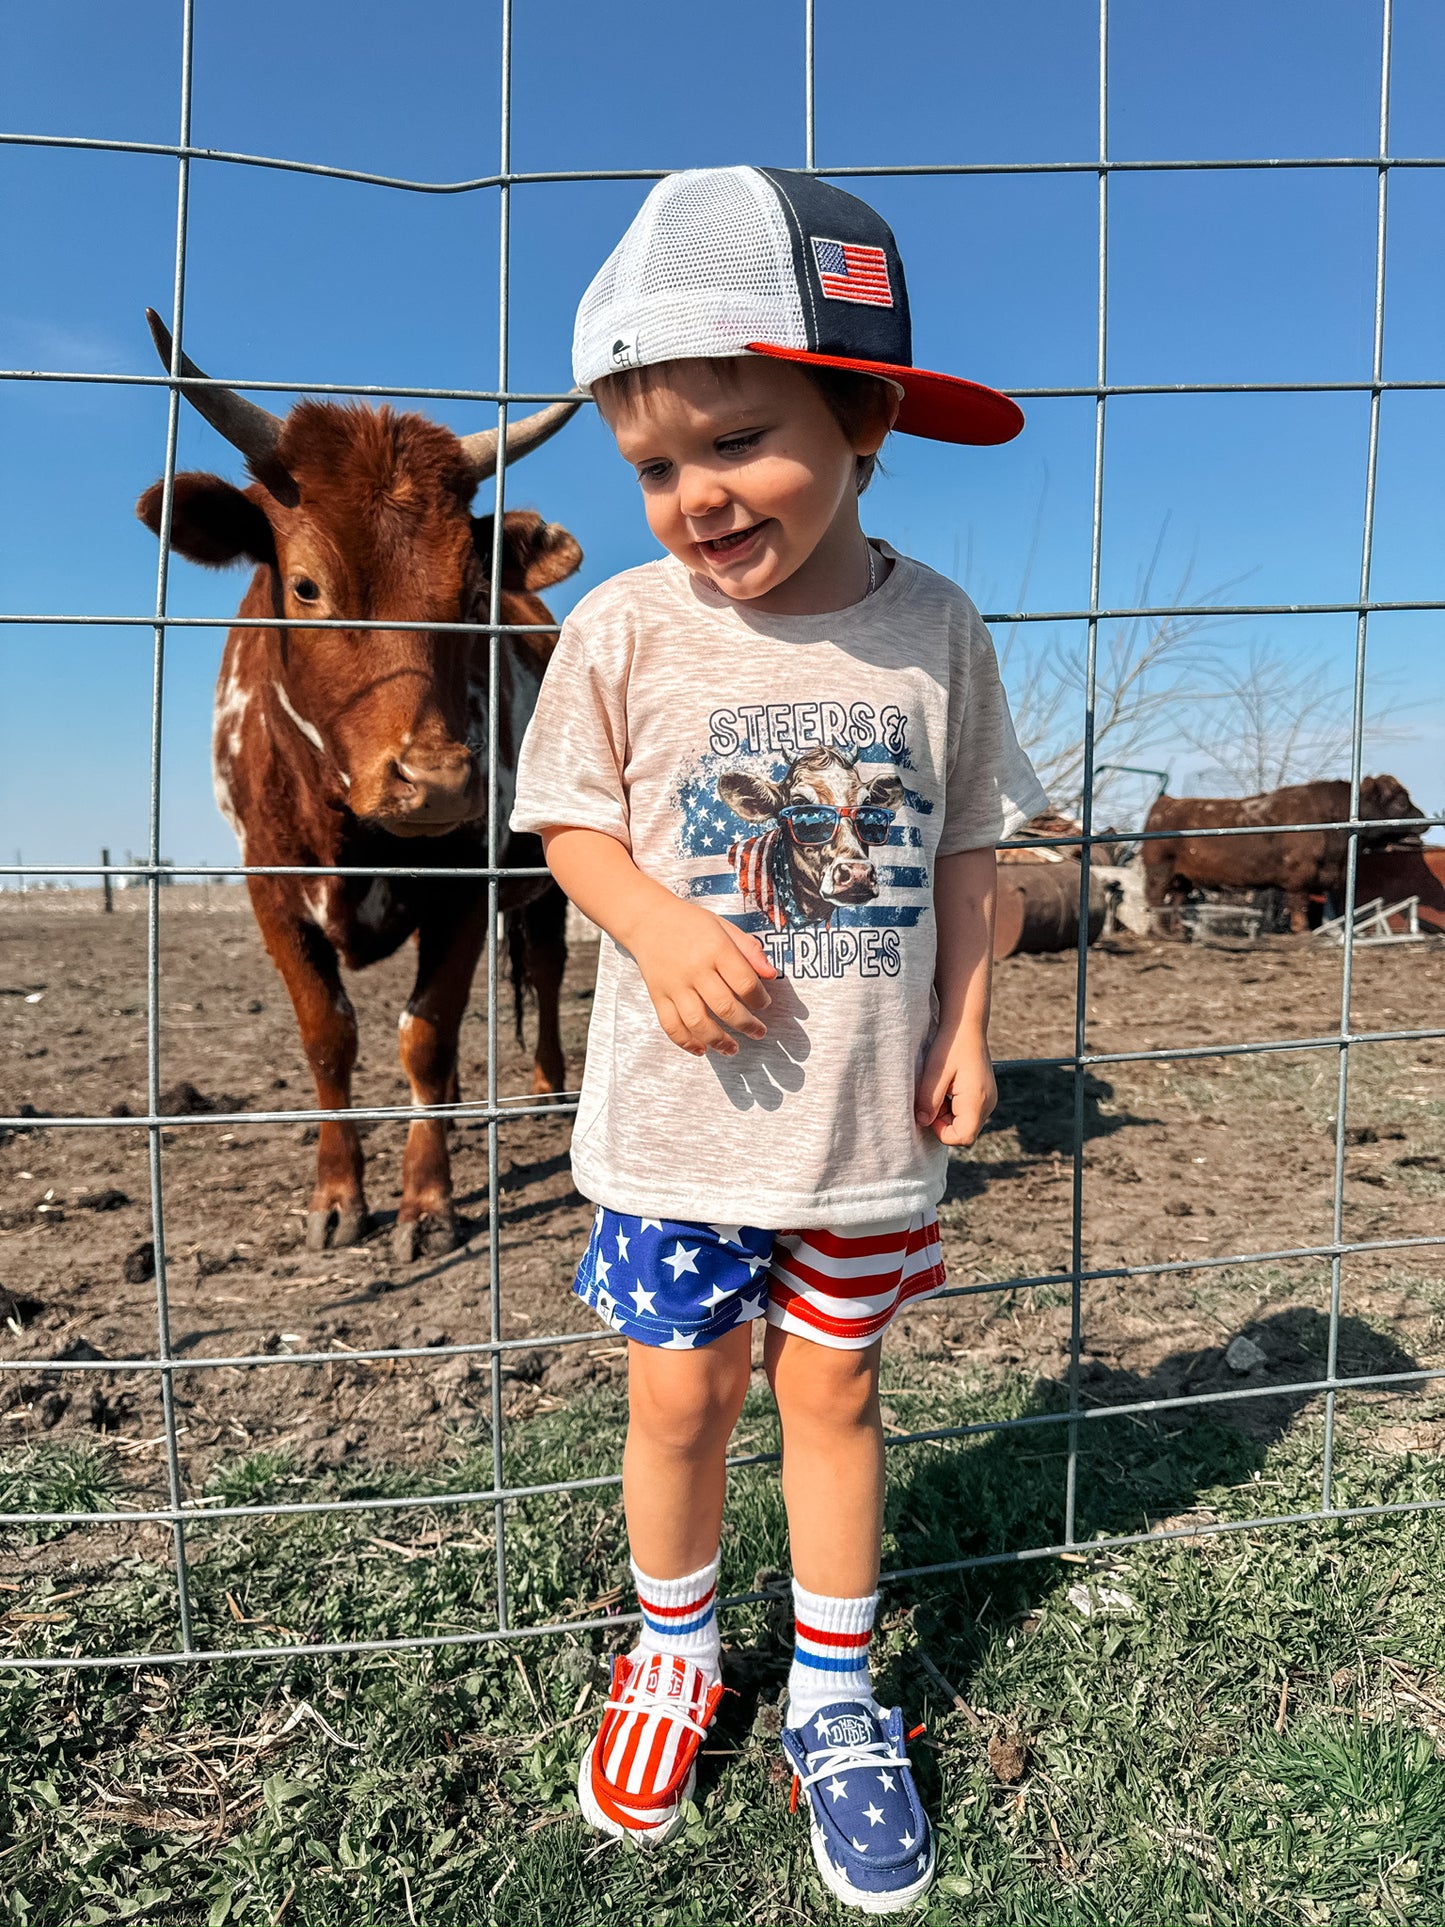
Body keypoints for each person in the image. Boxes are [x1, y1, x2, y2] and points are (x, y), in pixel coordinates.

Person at [510, 165, 1047, 1914]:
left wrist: (965, 1020)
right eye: (652, 466)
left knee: (836, 1387)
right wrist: (660, 926)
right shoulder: (620, 628)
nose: (693, 498)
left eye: (736, 441)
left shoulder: (933, 629)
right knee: (679, 1393)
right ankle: (671, 1649)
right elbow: (570, 825)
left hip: (862, 1123)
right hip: (679, 1130)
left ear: (862, 418)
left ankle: (830, 1688)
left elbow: (969, 852)